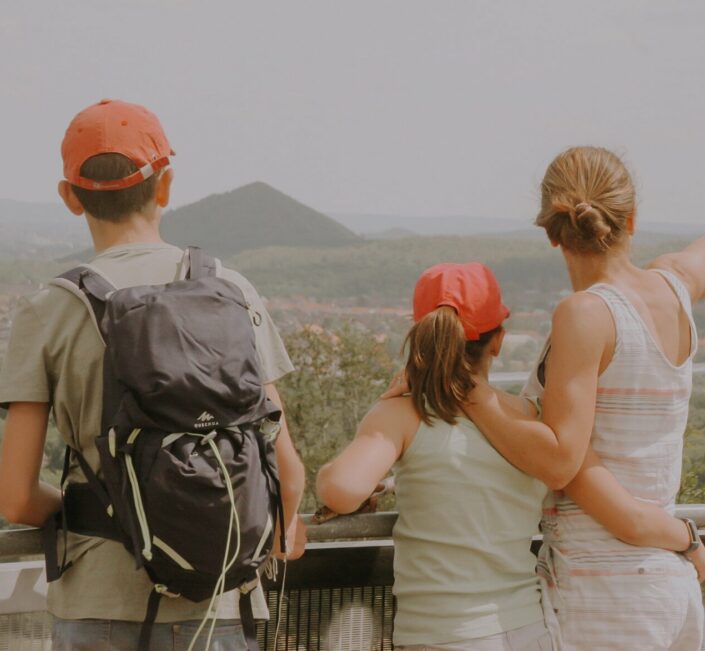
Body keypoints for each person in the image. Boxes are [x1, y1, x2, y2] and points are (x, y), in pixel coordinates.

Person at [0, 99, 306, 651]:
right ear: (165, 185)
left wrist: (100, 508)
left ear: (69, 197)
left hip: (100, 602)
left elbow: (15, 497)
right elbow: (288, 473)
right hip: (222, 601)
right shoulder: (231, 292)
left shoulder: (48, 310)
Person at [460, 147, 705, 650]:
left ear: (551, 232)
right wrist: (684, 537)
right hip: (669, 585)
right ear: (632, 218)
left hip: (605, 591)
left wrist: (466, 392)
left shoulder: (584, 314)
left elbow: (559, 460)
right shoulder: (674, 287)